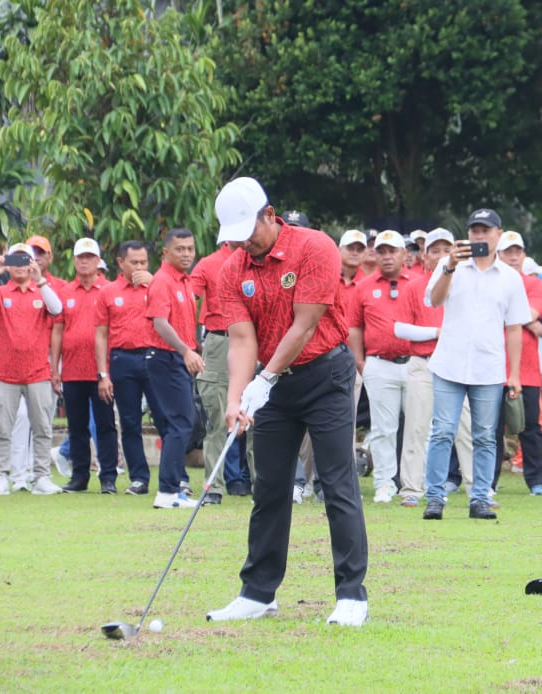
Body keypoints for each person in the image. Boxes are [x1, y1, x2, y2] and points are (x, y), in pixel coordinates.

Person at [206, 176, 369, 627]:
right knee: (270, 487)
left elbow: (305, 324)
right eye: (235, 236)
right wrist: (237, 398)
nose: (244, 243)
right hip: (273, 386)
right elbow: (242, 339)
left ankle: (351, 596)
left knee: (337, 481)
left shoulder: (315, 247)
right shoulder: (232, 270)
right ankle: (258, 593)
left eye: (249, 232)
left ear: (269, 214)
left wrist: (265, 377)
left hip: (326, 375)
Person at [421, 208, 530, 521]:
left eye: (485, 230)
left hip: (488, 367)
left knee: (484, 436)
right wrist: (450, 267)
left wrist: (514, 374)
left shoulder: (510, 277)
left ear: (499, 234)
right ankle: (435, 497)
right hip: (449, 363)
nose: (480, 236)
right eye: (475, 231)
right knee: (442, 432)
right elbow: (434, 301)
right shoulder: (449, 264)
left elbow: (514, 328)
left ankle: (480, 497)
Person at [0, 243, 63, 495]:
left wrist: (40, 280)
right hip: (5, 373)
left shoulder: (42, 290)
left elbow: (57, 309)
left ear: (33, 263)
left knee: (42, 427)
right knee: (2, 428)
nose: (20, 266)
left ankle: (41, 476)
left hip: (38, 372)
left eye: (25, 260)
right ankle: (2, 476)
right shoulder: (1, 292)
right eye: (15, 260)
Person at [394, 228, 476, 506]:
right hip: (424, 363)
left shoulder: (469, 284)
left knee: (466, 429)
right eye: (435, 250)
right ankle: (412, 488)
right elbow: (400, 328)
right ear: (425, 256)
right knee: (416, 428)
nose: (442, 255)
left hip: (458, 364)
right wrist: (437, 332)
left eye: (447, 250)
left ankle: (478, 489)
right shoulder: (414, 286)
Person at [348, 229, 414, 503]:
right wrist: (361, 362)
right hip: (378, 363)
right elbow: (354, 327)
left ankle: (414, 483)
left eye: (392, 251)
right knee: (383, 428)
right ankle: (385, 483)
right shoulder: (363, 287)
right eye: (382, 252)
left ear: (404, 254)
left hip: (415, 363)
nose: (387, 257)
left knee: (418, 427)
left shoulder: (418, 283)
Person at [95, 241, 165, 496]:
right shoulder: (108, 292)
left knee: (165, 418)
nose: (139, 267)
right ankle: (139, 478)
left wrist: (154, 282)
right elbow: (101, 335)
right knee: (130, 421)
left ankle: (175, 477)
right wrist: (103, 374)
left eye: (143, 262)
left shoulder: (158, 286)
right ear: (120, 263)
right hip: (122, 359)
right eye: (134, 262)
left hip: (155, 357)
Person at [51, 238, 119, 494]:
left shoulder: (109, 290)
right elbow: (58, 331)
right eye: (80, 257)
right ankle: (79, 477)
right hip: (72, 370)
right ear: (74, 260)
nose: (84, 261)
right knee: (77, 426)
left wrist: (107, 372)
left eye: (89, 257)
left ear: (98, 261)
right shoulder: (65, 292)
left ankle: (108, 477)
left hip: (102, 371)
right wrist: (55, 368)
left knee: (105, 425)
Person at [146, 228, 204, 509]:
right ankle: (168, 491)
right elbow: (160, 323)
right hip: (166, 357)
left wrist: (194, 349)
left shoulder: (185, 281)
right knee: (181, 424)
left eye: (190, 248)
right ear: (166, 252)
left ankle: (172, 489)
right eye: (180, 249)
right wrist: (186, 351)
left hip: (177, 358)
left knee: (179, 424)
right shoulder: (162, 281)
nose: (186, 254)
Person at [493, 231, 542, 495]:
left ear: (524, 255)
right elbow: (487, 314)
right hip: (492, 368)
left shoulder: (535, 284)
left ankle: (536, 482)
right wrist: (528, 322)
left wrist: (516, 315)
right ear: (498, 255)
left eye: (518, 252)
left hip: (527, 370)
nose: (513, 257)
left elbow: (532, 311)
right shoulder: (489, 282)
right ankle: (488, 483)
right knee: (491, 430)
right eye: (508, 252)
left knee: (531, 429)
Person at [191, 238, 237, 504]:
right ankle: (214, 488)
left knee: (259, 417)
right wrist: (190, 342)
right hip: (220, 339)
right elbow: (187, 299)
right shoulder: (209, 264)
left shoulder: (260, 259)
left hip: (256, 339)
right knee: (217, 417)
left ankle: (261, 484)